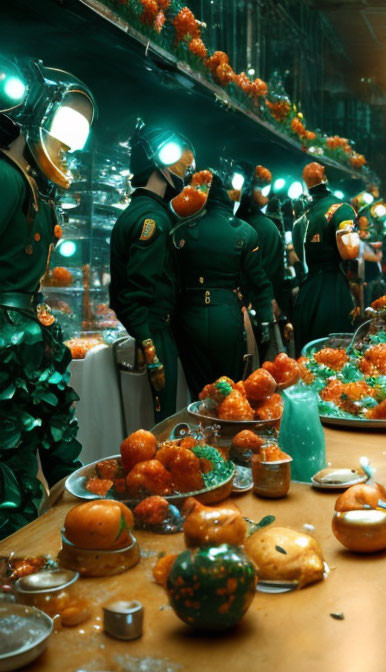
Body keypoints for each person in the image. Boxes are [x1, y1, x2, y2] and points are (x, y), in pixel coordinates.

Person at [0, 57, 95, 536]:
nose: (67, 148)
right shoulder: (6, 177)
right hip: (8, 342)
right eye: (61, 131)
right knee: (10, 472)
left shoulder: (27, 183)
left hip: (27, 340)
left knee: (40, 454)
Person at [110, 120, 194, 422]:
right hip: (153, 332)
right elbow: (135, 292)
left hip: (152, 330)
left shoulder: (141, 212)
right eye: (179, 161)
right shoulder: (152, 220)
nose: (185, 170)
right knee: (161, 423)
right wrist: (150, 347)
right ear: (159, 162)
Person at [171, 169, 278, 396]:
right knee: (229, 387)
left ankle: (200, 428)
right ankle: (228, 427)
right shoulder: (245, 231)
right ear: (226, 196)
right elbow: (258, 281)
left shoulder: (181, 231)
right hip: (227, 314)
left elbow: (171, 280)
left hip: (189, 317)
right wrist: (266, 320)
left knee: (199, 389)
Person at [292, 162, 359, 352]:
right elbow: (350, 252)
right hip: (332, 294)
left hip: (305, 295)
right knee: (334, 359)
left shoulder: (299, 219)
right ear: (326, 178)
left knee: (306, 358)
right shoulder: (341, 209)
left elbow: (297, 253)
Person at [235, 163, 292, 353]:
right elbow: (274, 273)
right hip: (261, 309)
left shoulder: (230, 223)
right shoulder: (266, 228)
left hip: (231, 308)